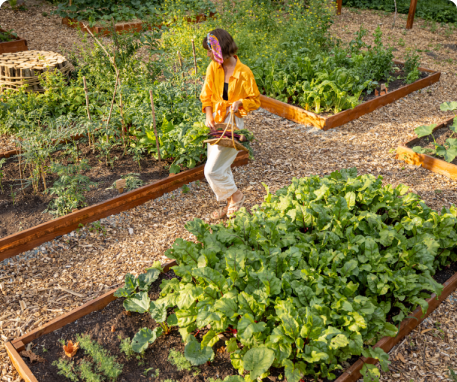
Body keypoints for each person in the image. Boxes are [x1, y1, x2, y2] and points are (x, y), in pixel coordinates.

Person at [200, 29, 260, 220]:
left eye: (210, 50)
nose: (208, 54)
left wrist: (241, 102)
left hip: (232, 122)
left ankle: (236, 195)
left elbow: (256, 100)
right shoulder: (213, 67)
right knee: (222, 167)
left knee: (211, 171)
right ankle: (229, 204)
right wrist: (208, 115)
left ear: (220, 49)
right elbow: (206, 95)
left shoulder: (244, 72)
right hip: (215, 122)